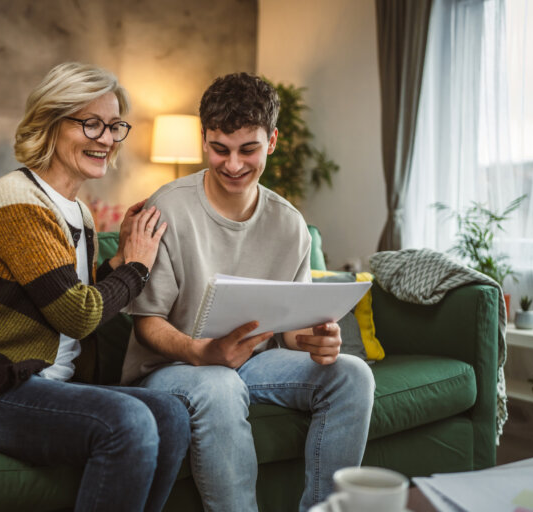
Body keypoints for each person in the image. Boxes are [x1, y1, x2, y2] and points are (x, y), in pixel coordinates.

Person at [0, 62, 190, 512]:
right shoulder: (16, 198)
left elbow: (69, 296)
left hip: (47, 385)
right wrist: (138, 269)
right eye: (90, 123)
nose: (105, 139)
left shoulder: (77, 213)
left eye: (113, 126)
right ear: (50, 122)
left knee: (171, 415)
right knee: (126, 423)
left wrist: (120, 259)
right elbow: (76, 313)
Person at [121, 72, 375, 511]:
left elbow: (293, 335)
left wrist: (318, 338)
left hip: (252, 364)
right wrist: (202, 353)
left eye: (248, 149)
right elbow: (147, 324)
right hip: (172, 367)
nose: (233, 164)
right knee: (219, 384)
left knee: (353, 375)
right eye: (220, 148)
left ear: (272, 141)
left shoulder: (289, 223)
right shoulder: (168, 209)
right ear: (204, 140)